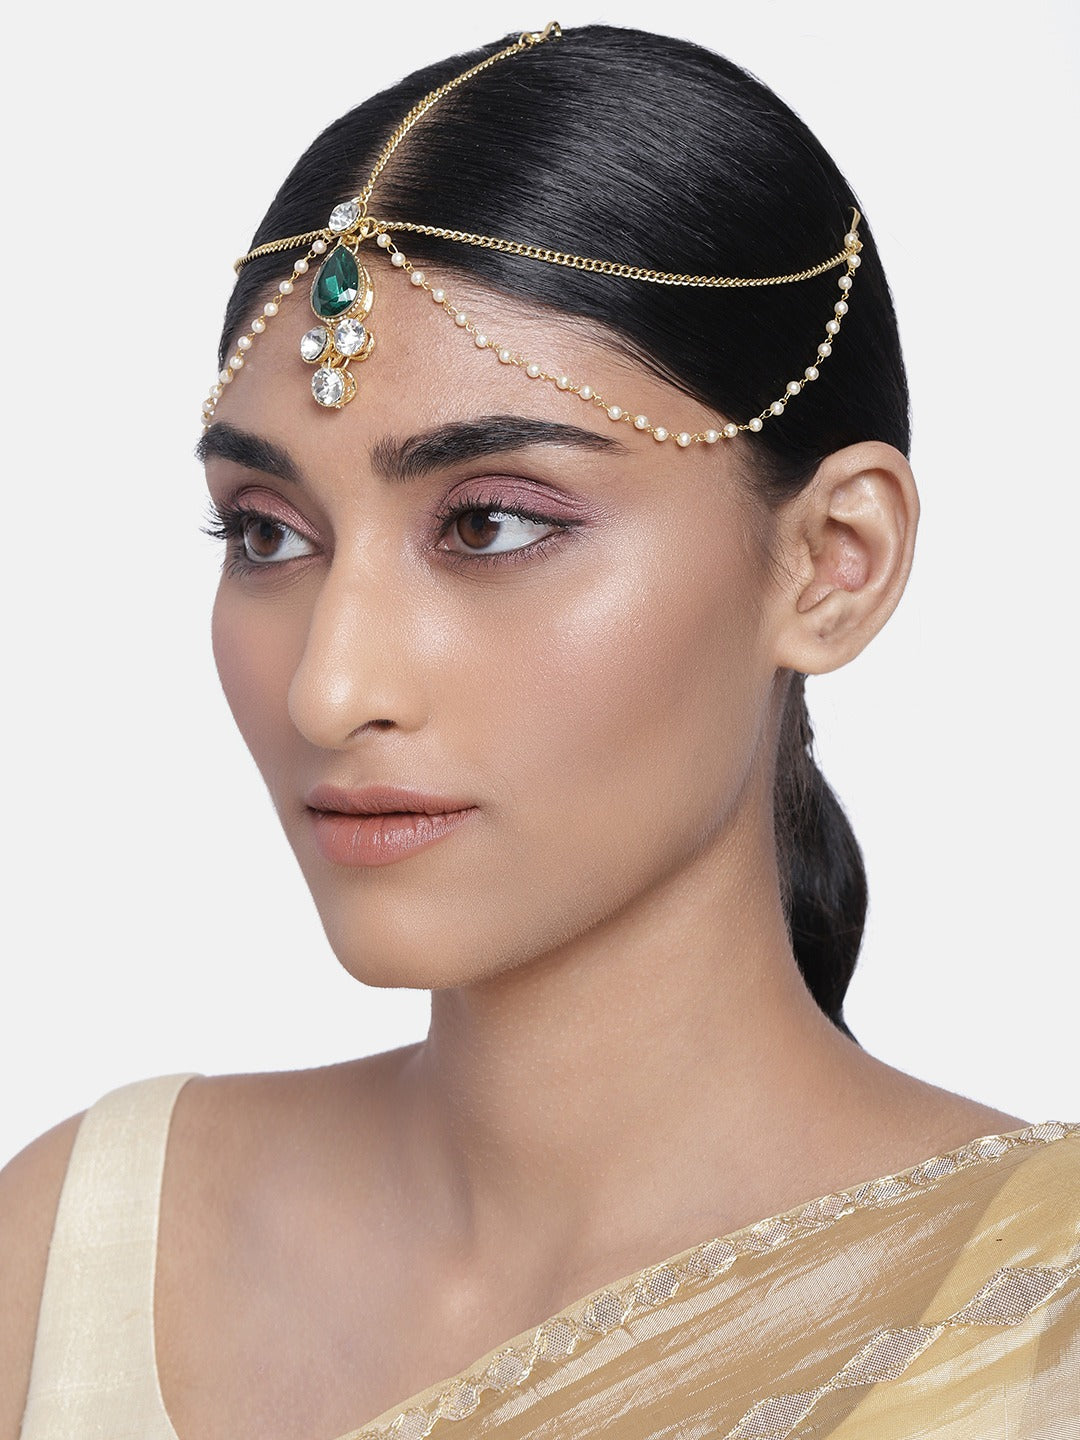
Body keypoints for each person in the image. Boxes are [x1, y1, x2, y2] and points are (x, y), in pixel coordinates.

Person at [3, 20, 1077, 1440]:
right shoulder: (76, 1254)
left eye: (492, 525)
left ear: (832, 564)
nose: (329, 687)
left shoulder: (1038, 1322)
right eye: (267, 532)